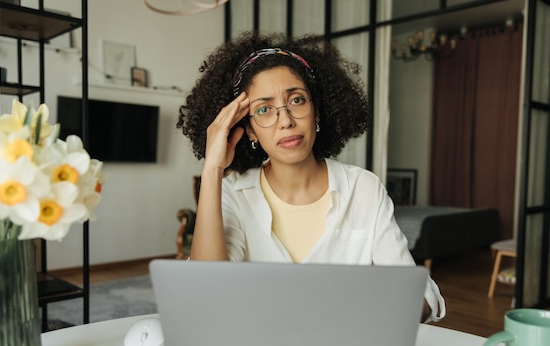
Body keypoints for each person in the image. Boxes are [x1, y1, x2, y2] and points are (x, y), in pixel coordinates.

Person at [177, 32, 445, 323]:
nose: (286, 120)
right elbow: (207, 292)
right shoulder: (233, 193)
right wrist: (213, 169)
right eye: (264, 109)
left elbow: (420, 297)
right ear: (250, 131)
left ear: (317, 112)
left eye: (297, 100)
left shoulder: (362, 188)